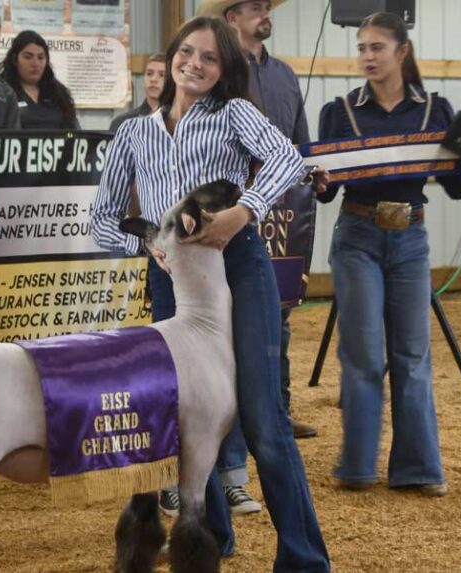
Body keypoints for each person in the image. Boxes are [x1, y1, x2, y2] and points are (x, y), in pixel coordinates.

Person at [92, 16, 330, 572]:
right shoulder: (133, 132)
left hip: (238, 267)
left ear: (223, 70)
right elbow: (102, 220)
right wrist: (147, 243)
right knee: (190, 411)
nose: (194, 64)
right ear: (172, 56)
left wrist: (243, 211)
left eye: (209, 58)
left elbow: (287, 157)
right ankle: (209, 538)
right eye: (187, 53)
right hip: (170, 276)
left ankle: (303, 559)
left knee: (262, 416)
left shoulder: (235, 114)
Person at [317, 12, 461, 497]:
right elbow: (324, 191)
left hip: (410, 240)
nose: (367, 57)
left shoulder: (437, 111)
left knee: (413, 355)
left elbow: (457, 185)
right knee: (361, 354)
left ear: (402, 52)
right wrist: (313, 176)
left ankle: (418, 468)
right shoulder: (338, 111)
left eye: (377, 47)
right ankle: (357, 467)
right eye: (362, 48)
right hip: (357, 235)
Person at [192, 0, 319, 520]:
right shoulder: (213, 78)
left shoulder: (287, 76)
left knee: (272, 335)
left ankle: (272, 424)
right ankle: (228, 471)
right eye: (252, 6)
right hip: (224, 225)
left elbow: (299, 149)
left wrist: (316, 174)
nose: (264, 12)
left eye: (266, 5)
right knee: (213, 353)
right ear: (230, 18)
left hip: (277, 220)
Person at [0, 30, 79, 130]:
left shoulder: (59, 93)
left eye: (41, 57)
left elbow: (73, 130)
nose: (35, 63)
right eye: (28, 57)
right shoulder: (0, 90)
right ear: (15, 59)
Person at [109, 53, 165, 132]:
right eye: (149, 74)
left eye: (162, 75)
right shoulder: (122, 123)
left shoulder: (181, 122)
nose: (153, 79)